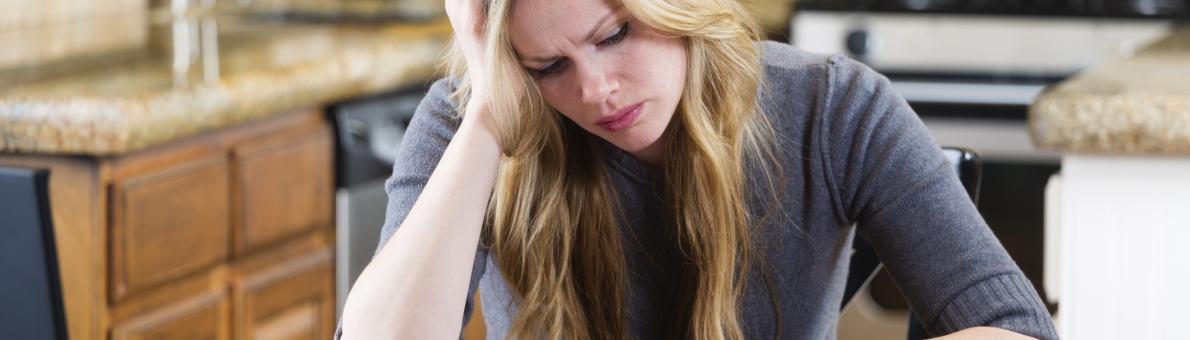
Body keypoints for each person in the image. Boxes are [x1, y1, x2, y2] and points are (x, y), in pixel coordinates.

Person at [338, 0, 1058, 338]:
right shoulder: (470, 120)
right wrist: (496, 106)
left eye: (615, 34)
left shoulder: (833, 108)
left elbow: (1014, 326)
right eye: (548, 65)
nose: (594, 90)